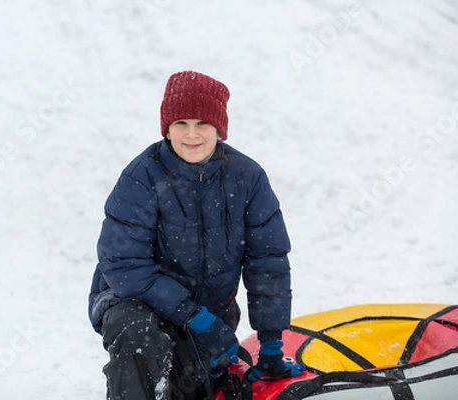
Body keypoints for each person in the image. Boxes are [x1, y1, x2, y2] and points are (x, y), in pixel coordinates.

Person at [88, 70, 303, 399]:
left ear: (219, 128)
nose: (192, 135)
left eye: (202, 123)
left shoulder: (247, 178)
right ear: (167, 128)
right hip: (136, 303)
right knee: (139, 340)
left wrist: (271, 343)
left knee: (191, 389)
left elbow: (267, 260)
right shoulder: (141, 177)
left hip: (210, 314)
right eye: (181, 124)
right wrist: (192, 317)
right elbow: (123, 265)